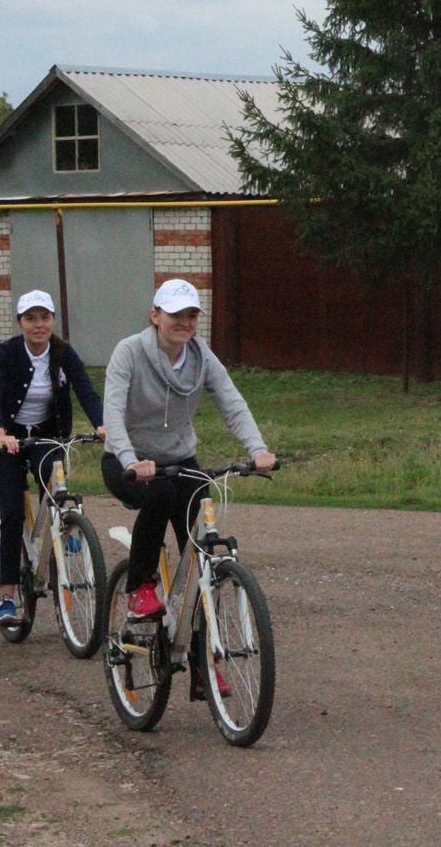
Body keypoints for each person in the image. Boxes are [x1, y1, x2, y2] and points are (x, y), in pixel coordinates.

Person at [102, 279, 275, 674]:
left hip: (180, 460)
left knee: (199, 558)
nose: (184, 322)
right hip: (127, 462)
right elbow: (112, 412)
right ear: (155, 315)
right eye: (175, 314)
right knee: (160, 494)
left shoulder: (201, 356)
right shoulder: (129, 351)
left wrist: (258, 449)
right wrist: (130, 459)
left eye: (191, 315)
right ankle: (140, 587)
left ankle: (202, 659)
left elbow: (232, 402)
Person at [0, 290, 105, 625]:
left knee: (55, 477)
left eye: (44, 318)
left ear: (52, 320)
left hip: (44, 436)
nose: (38, 325)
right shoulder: (6, 353)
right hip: (2, 441)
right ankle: (6, 595)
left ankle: (65, 527)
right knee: (11, 512)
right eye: (30, 319)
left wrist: (103, 424)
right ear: (20, 322)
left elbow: (86, 391)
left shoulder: (63, 353)